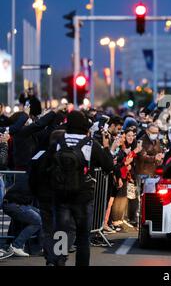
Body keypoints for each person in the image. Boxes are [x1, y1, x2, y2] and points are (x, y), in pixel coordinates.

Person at [52, 110, 114, 266]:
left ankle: (58, 262)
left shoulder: (58, 141)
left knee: (61, 233)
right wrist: (106, 147)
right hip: (83, 196)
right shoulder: (90, 143)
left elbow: (47, 164)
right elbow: (108, 165)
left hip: (61, 195)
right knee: (82, 238)